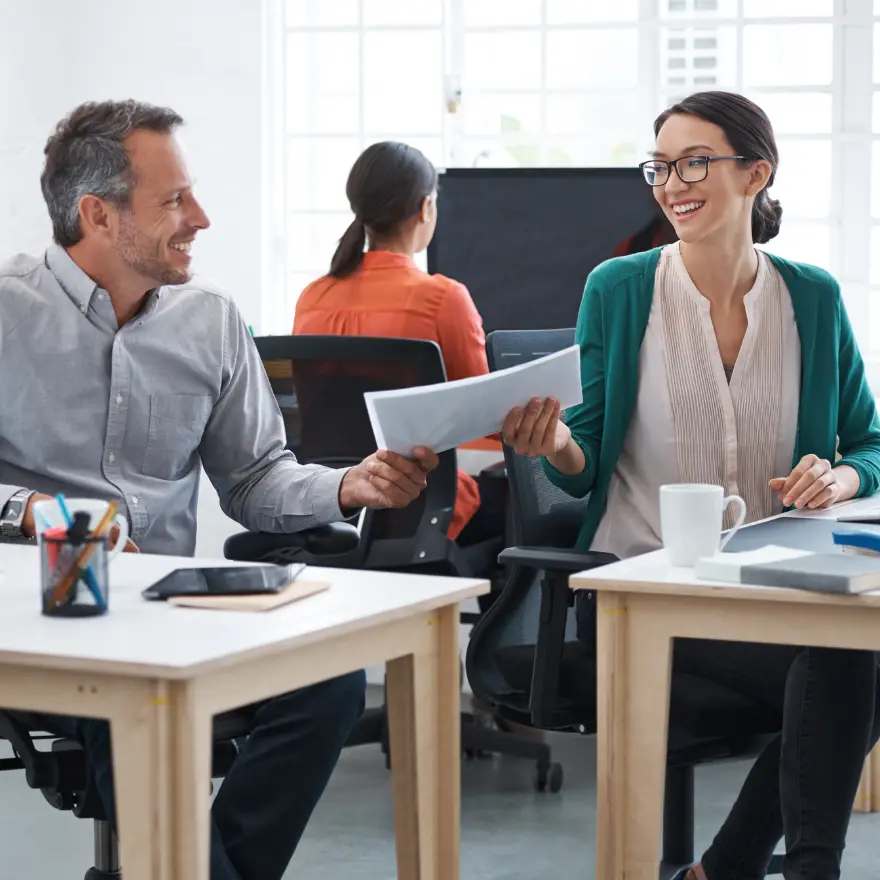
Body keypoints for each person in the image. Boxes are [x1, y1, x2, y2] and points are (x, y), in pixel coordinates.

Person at [0, 100, 439, 880]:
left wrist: (348, 485)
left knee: (328, 678)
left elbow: (256, 478)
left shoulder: (209, 321)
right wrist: (28, 511)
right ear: (97, 215)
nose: (200, 217)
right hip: (46, 612)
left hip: (166, 605)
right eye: (173, 200)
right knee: (133, 700)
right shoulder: (6, 311)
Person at [502, 91, 880, 880]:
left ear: (757, 173)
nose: (673, 182)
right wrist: (557, 443)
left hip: (776, 595)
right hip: (647, 598)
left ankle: (722, 870)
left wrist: (841, 473)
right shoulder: (620, 287)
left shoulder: (813, 296)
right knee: (844, 663)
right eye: (662, 166)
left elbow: (873, 443)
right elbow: (587, 451)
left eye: (695, 161)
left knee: (854, 655)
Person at [293, 141, 505, 549]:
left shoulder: (311, 297)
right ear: (426, 208)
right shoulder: (442, 298)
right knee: (526, 500)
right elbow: (485, 417)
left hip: (338, 499)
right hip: (419, 501)